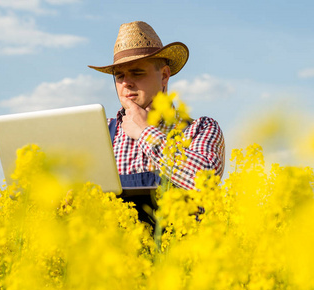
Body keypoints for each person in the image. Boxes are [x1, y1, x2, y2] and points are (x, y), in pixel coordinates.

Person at [88, 21, 225, 225]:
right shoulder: (98, 133)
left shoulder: (200, 129)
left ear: (164, 76)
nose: (126, 82)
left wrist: (145, 132)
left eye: (137, 72)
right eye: (120, 76)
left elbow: (204, 182)